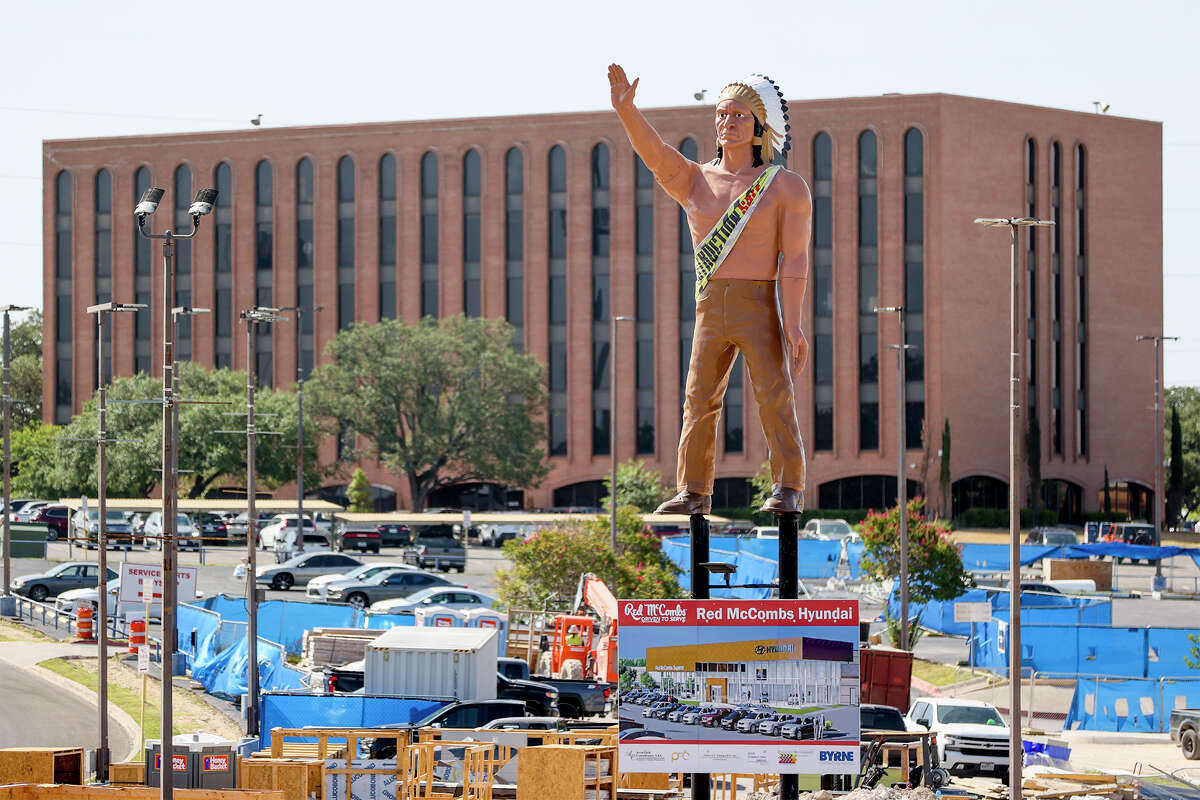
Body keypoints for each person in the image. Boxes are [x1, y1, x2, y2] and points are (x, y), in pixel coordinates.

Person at [608, 64, 810, 516]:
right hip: (708, 304)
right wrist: (627, 111)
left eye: (738, 115)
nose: (727, 122)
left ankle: (789, 485)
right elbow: (657, 154)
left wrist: (793, 322)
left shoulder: (785, 187)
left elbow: (795, 260)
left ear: (760, 126)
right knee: (698, 400)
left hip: (759, 302)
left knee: (774, 394)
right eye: (721, 114)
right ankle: (693, 491)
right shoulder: (695, 178)